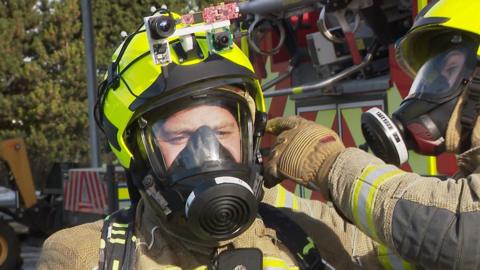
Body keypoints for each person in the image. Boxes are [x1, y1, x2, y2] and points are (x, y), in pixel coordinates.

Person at [37, 1, 480, 269]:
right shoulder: (86, 257)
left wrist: (329, 165)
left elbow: (448, 241)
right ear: (137, 152)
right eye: (179, 137)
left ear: (250, 134)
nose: (206, 151)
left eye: (222, 130)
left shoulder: (312, 235)